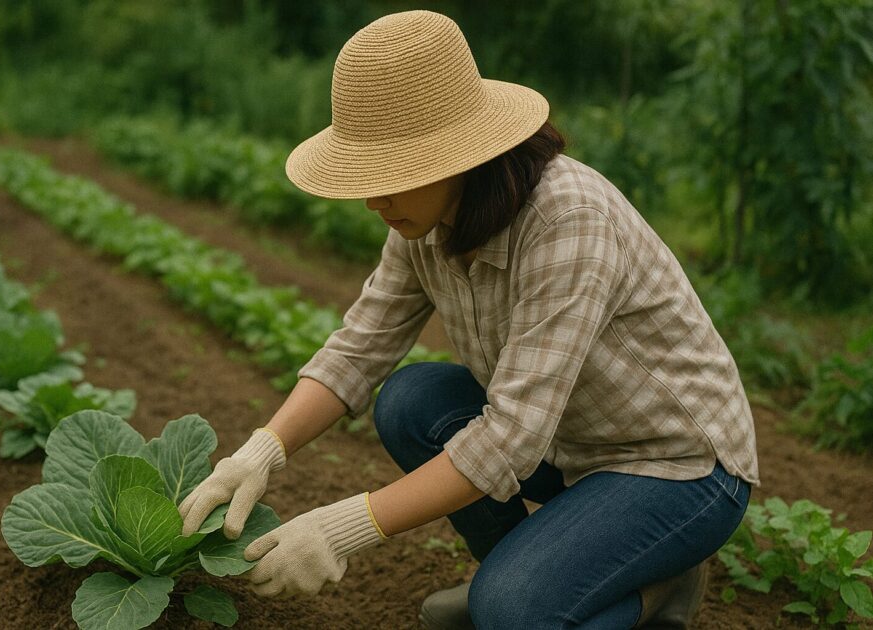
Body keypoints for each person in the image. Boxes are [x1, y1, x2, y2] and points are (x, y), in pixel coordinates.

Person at [178, 10, 759, 629]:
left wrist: (341, 528)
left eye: (393, 175)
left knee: (514, 611)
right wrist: (259, 453)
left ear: (457, 154)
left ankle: (651, 591)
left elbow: (509, 438)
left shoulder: (568, 220)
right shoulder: (424, 220)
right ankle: (527, 573)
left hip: (674, 468)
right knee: (410, 401)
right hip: (570, 445)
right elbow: (359, 348)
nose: (375, 199)